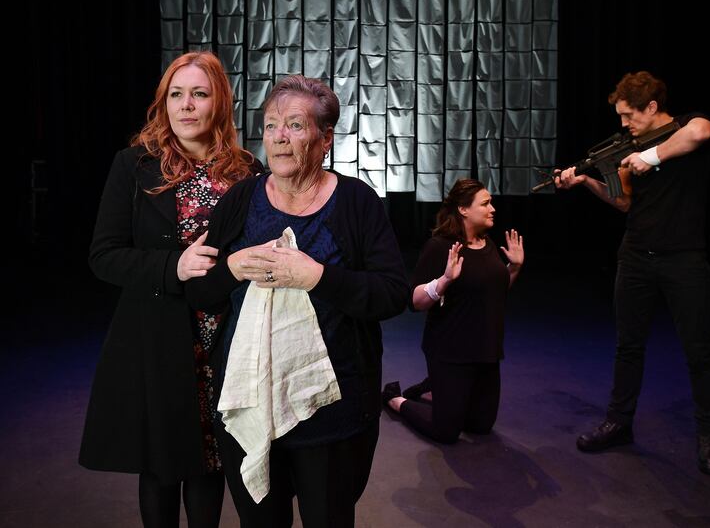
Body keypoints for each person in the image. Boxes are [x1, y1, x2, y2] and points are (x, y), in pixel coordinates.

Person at [184, 75, 409, 527]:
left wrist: (317, 277)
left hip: (332, 415)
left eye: (295, 125)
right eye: (271, 125)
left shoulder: (356, 202)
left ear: (325, 139)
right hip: (252, 402)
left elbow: (392, 293)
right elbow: (200, 292)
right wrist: (232, 267)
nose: (279, 137)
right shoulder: (242, 199)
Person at [79, 51, 262, 527]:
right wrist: (172, 266)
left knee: (212, 461)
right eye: (176, 94)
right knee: (161, 466)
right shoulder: (134, 165)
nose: (186, 105)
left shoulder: (247, 171)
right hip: (159, 335)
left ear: (219, 102)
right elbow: (103, 255)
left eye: (199, 94)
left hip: (226, 338)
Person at [555, 70, 710, 475]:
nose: (624, 123)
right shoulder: (629, 145)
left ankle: (709, 436)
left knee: (698, 351)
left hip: (683, 258)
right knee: (628, 345)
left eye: (629, 115)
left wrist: (652, 156)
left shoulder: (686, 126)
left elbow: (702, 132)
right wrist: (586, 181)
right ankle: (619, 422)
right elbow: (624, 202)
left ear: (652, 107)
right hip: (635, 256)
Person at [382, 179, 524, 444]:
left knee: (480, 426)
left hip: (486, 350)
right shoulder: (440, 246)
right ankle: (396, 399)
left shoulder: (487, 244)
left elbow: (495, 293)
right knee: (446, 432)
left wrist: (513, 268)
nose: (493, 208)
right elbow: (414, 302)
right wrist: (445, 279)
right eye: (485, 203)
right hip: (450, 351)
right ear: (463, 209)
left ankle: (433, 386)